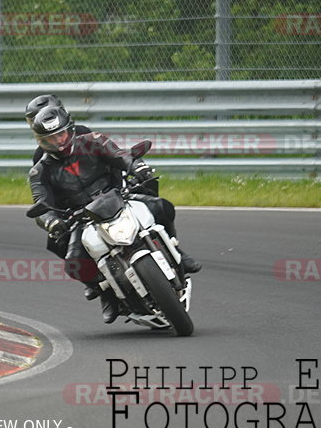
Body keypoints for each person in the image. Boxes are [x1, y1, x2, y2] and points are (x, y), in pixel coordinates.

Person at [28, 105, 201, 324]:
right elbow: (40, 204)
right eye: (50, 139)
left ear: (70, 129)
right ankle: (105, 293)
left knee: (161, 206)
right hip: (82, 216)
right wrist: (51, 221)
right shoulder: (39, 171)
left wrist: (137, 167)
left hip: (118, 196)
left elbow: (120, 155)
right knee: (73, 262)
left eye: (60, 134)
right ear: (41, 141)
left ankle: (177, 251)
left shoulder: (93, 140)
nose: (59, 141)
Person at [24, 94, 91, 165]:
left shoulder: (85, 135)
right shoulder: (40, 156)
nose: (58, 140)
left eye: (61, 133)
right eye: (51, 137)